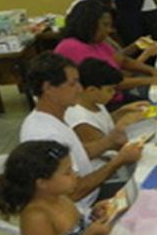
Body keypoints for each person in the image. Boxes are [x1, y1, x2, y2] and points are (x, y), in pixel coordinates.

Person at [19, 52, 143, 213]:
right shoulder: (46, 134)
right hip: (83, 206)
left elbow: (77, 154)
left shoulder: (52, 117)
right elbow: (74, 192)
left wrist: (110, 140)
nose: (79, 89)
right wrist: (118, 161)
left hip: (91, 193)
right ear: (48, 88)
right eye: (73, 84)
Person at [53, 0, 157, 103]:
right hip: (104, 104)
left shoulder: (95, 41)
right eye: (105, 25)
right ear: (89, 23)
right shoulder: (71, 47)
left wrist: (153, 71)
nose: (109, 30)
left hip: (117, 95)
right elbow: (109, 82)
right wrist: (151, 79)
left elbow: (122, 60)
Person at [66, 58, 150, 161]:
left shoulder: (94, 101)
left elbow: (103, 124)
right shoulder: (82, 122)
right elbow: (109, 149)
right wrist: (126, 124)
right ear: (91, 90)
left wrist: (123, 111)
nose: (114, 93)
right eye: (109, 90)